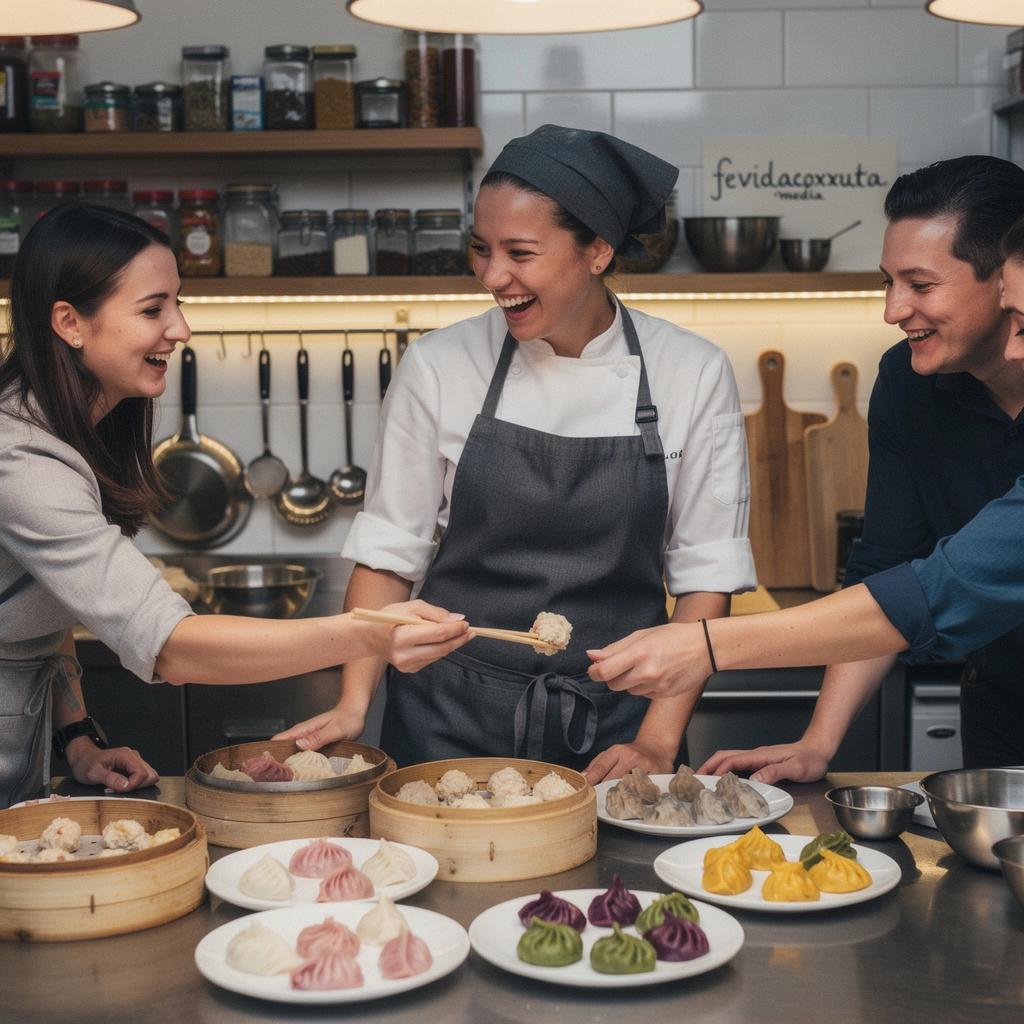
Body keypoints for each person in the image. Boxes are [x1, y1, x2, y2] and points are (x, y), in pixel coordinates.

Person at [277, 125, 755, 782]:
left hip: (620, 726)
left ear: (597, 251)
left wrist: (657, 739)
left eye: (521, 253)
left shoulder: (690, 371)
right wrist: (354, 699)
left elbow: (705, 577)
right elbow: (390, 556)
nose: (493, 277)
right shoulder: (440, 364)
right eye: (481, 249)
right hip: (446, 720)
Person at [0, 202, 470, 808]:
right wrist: (368, 635)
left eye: (177, 302)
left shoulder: (73, 428)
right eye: (152, 309)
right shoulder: (22, 461)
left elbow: (59, 598)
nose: (180, 329)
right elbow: (172, 648)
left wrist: (78, 736)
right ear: (70, 322)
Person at [590, 157, 1024, 778]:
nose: (893, 310)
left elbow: (942, 587)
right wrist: (818, 741)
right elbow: (885, 570)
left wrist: (709, 646)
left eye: (921, 285)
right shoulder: (909, 383)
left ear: (1003, 282)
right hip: (1001, 706)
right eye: (888, 282)